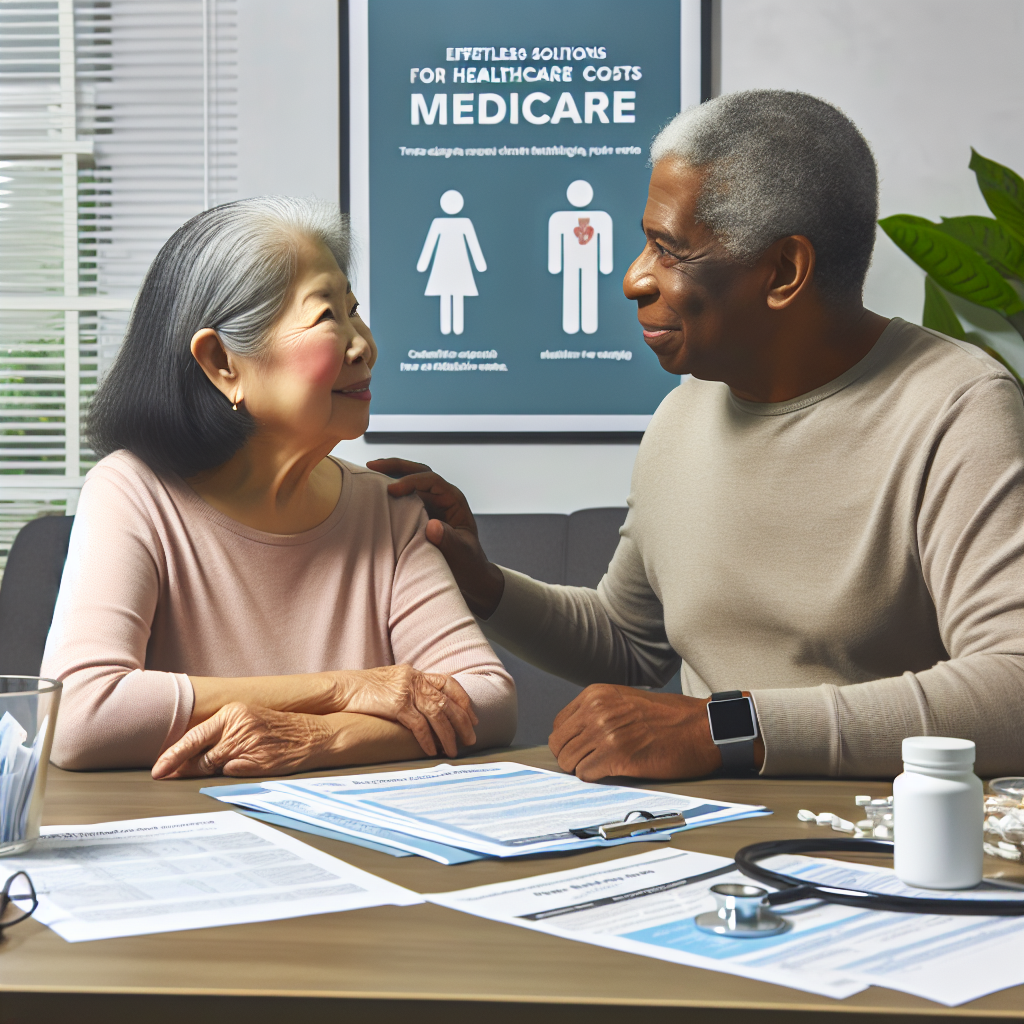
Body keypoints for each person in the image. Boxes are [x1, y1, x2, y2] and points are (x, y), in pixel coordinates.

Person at [373, 90, 1024, 782]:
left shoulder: (960, 410)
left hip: (876, 849)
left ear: (783, 272)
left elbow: (1013, 689)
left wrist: (728, 727)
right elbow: (631, 642)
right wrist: (481, 583)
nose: (633, 279)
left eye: (670, 250)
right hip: (697, 839)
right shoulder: (683, 413)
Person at [42, 196, 516, 776]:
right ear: (222, 362)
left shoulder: (387, 508)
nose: (363, 345)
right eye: (326, 317)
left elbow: (487, 698)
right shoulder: (132, 493)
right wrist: (346, 690)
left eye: (354, 310)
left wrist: (326, 738)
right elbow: (79, 715)